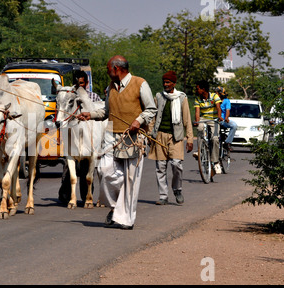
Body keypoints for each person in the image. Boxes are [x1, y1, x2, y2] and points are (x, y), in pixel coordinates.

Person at [78, 55, 157, 230]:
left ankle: (126, 220)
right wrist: (89, 115)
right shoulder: (110, 88)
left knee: (131, 179)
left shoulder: (140, 83)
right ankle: (116, 207)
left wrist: (139, 120)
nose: (107, 72)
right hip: (111, 136)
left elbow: (151, 108)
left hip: (134, 139)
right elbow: (106, 112)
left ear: (116, 69)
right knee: (104, 171)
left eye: (108, 69)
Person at [148, 71, 193, 205]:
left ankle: (177, 189)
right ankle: (163, 196)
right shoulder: (158, 97)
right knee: (160, 167)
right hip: (160, 135)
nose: (165, 85)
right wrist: (151, 133)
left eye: (168, 82)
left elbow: (187, 119)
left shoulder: (181, 98)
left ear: (174, 83)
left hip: (176, 137)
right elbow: (153, 116)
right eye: (164, 82)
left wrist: (190, 139)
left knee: (176, 164)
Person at [58, 71, 102, 204]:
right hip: (72, 136)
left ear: (86, 83)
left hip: (89, 137)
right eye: (77, 83)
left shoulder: (94, 97)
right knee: (68, 168)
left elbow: (100, 115)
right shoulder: (68, 96)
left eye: (82, 83)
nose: (79, 86)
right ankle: (67, 196)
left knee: (87, 170)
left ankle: (87, 196)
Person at [194, 80, 223, 174]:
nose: (196, 90)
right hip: (203, 118)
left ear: (203, 89)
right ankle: (200, 149)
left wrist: (219, 117)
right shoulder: (197, 98)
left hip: (214, 119)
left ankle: (216, 162)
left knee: (215, 139)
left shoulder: (214, 96)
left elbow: (218, 108)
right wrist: (197, 121)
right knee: (199, 128)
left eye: (197, 88)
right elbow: (197, 112)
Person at [215, 86, 237, 151]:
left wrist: (226, 118)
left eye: (217, 93)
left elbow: (228, 110)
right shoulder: (214, 100)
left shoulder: (226, 101)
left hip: (223, 120)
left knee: (234, 126)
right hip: (215, 120)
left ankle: (227, 142)